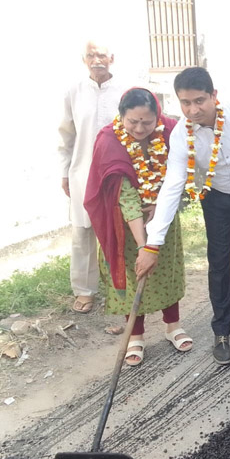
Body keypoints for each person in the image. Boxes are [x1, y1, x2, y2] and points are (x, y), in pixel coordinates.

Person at [137, 67, 230, 367]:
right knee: (218, 263)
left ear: (214, 96)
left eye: (199, 101)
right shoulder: (181, 134)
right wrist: (153, 243)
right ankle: (222, 332)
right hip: (214, 198)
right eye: (185, 103)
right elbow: (173, 185)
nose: (192, 109)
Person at [84, 88, 191, 366]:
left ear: (158, 116)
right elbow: (127, 198)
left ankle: (173, 326)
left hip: (163, 217)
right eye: (133, 122)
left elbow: (186, 173)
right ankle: (136, 336)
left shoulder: (171, 131)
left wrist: (163, 207)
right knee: (135, 276)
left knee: (166, 271)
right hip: (125, 223)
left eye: (147, 122)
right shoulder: (109, 141)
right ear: (121, 117)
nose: (140, 128)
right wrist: (145, 246)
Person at [58, 41, 126, 314]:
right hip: (83, 172)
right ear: (84, 59)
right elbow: (66, 136)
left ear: (112, 57)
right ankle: (84, 291)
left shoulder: (125, 91)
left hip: (117, 173)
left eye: (101, 55)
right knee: (82, 231)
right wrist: (65, 171)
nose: (96, 60)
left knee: (119, 230)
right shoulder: (74, 92)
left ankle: (120, 287)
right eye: (91, 55)